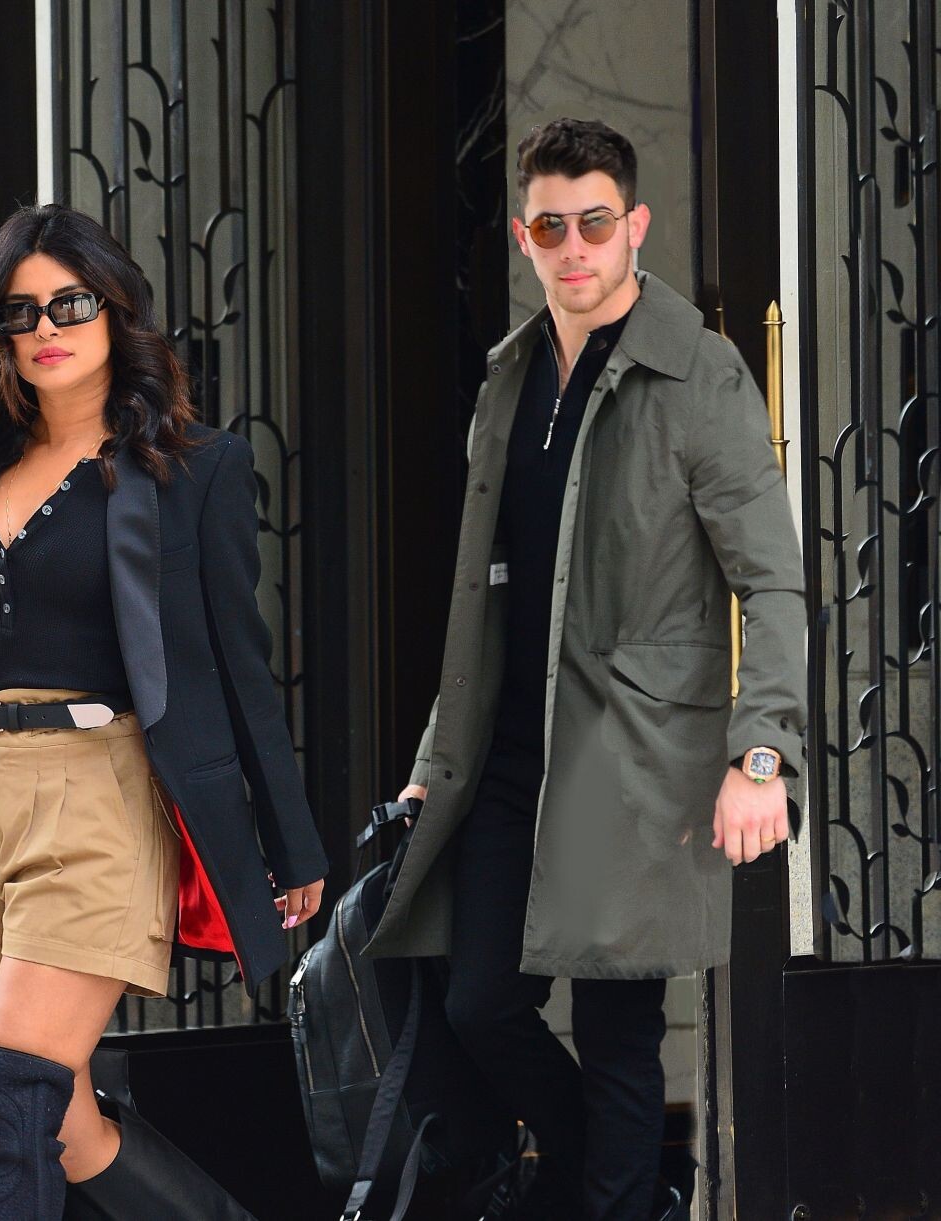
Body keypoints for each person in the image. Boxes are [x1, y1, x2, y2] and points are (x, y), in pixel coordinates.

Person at [366, 118, 806, 1218]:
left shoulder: (698, 373)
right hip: (510, 756)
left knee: (618, 1034)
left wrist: (762, 751)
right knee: (478, 1003)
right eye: (550, 228)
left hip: (635, 752)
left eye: (594, 224)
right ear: (525, 236)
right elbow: (480, 599)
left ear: (634, 226)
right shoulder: (508, 379)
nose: (573, 248)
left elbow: (772, 582)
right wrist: (433, 758)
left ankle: (613, 1201)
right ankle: (620, 1188)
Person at [0, 203, 327, 1220]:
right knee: (58, 1122)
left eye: (70, 303)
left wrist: (289, 841)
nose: (46, 327)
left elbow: (238, 664)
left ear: (114, 308)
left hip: (96, 794)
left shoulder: (193, 469)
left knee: (4, 1111)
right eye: (20, 312)